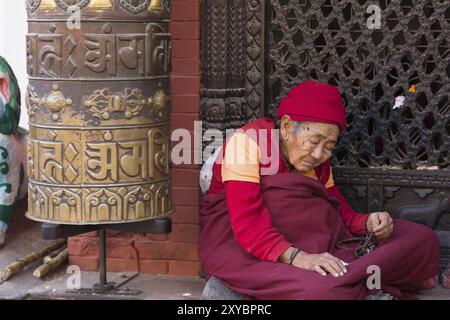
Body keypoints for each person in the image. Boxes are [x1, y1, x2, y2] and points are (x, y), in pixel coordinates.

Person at [199, 80, 440, 299]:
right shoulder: (247, 143)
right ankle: (359, 283)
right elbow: (248, 223)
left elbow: (338, 213)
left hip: (320, 245)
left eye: (328, 146)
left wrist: (368, 223)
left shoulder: (318, 163)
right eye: (314, 142)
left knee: (422, 239)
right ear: (285, 126)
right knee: (321, 291)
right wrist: (300, 258)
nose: (318, 154)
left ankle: (352, 282)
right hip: (251, 251)